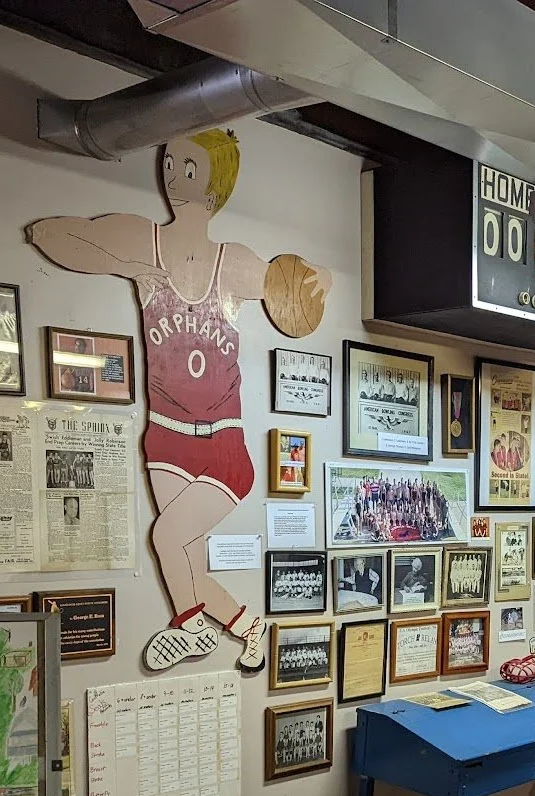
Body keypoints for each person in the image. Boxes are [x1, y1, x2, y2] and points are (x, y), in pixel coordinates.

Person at [28, 129, 330, 674]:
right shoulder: (146, 247)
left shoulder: (232, 264)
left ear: (215, 186)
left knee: (167, 536)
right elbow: (77, 240)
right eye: (169, 162)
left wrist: (324, 278)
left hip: (223, 443)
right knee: (184, 554)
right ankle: (249, 626)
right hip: (164, 433)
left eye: (187, 167)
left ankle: (189, 625)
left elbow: (293, 288)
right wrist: (44, 232)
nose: (173, 175)